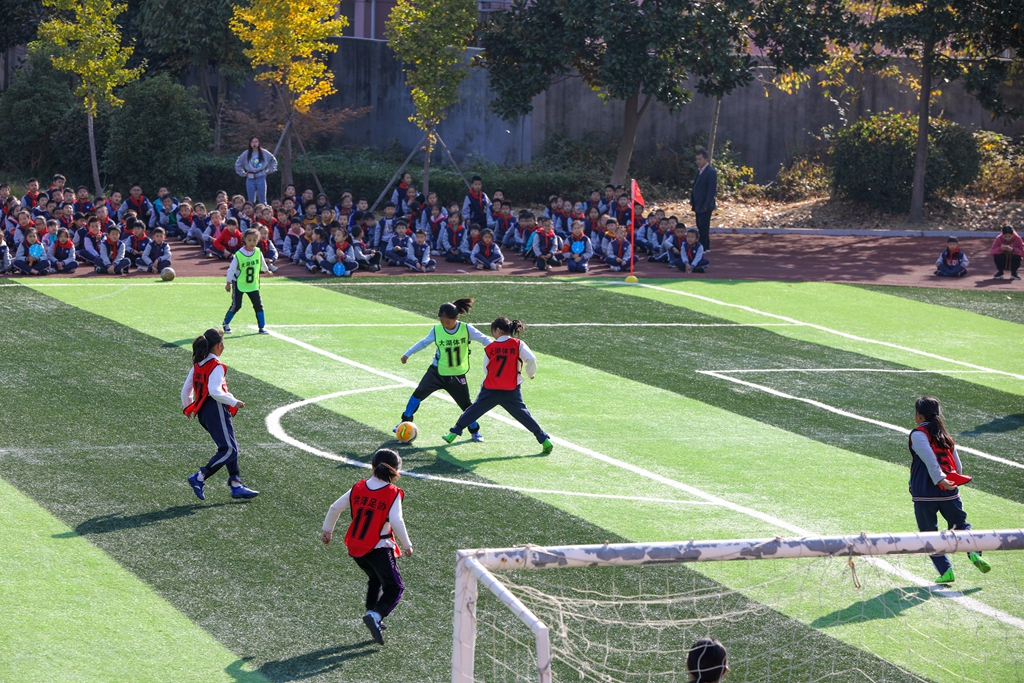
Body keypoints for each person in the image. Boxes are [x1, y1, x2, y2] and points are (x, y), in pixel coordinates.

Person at [320, 448, 413, 646]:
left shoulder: (359, 487)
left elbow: (335, 507)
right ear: (396, 471)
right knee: (395, 587)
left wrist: (327, 530)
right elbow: (396, 520)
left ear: (373, 466)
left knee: (375, 578)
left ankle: (372, 612)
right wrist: (407, 544)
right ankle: (376, 615)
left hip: (355, 546)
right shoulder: (392, 493)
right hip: (378, 546)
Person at [909, 396, 991, 583]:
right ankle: (974, 553)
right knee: (961, 525)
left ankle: (946, 570)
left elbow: (930, 461)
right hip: (950, 492)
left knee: (929, 533)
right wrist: (952, 484)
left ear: (919, 416)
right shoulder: (945, 435)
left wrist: (940, 480)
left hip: (926, 493)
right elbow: (957, 465)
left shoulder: (918, 434)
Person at [443, 317, 553, 453]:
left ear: (498, 330)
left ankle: (454, 432)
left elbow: (486, 369)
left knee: (474, 410)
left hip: (491, 389)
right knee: (524, 415)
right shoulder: (518, 344)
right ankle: (544, 439)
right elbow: (531, 359)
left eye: (493, 331)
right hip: (511, 390)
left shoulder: (490, 348)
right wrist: (530, 374)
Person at [183, 328, 259, 501]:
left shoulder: (198, 364)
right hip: (215, 409)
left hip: (204, 413)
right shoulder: (215, 365)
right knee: (229, 449)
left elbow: (186, 389)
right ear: (218, 346)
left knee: (230, 446)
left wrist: (188, 407)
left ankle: (236, 484)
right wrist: (234, 402)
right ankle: (200, 477)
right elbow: (215, 391)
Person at [398, 299, 491, 440]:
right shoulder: (437, 330)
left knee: (466, 405)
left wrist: (496, 351)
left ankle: (474, 431)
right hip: (436, 372)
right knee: (418, 394)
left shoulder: (466, 329)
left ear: (456, 317)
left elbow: (484, 340)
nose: (445, 325)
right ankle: (405, 422)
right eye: (442, 322)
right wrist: (408, 353)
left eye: (448, 322)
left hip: (456, 375)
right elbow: (423, 343)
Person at [223, 228, 272, 334]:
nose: (252, 242)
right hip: (239, 283)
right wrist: (228, 283)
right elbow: (231, 270)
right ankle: (226, 323)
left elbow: (262, 264)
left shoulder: (258, 252)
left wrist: (267, 271)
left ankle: (262, 327)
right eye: (249, 240)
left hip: (252, 284)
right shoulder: (239, 255)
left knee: (258, 305)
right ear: (244, 239)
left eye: (254, 240)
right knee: (237, 305)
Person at [234, 136, 278, 204]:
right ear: (250, 143)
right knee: (250, 200)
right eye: (252, 142)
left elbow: (273, 161)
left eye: (256, 142)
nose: (254, 144)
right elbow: (238, 163)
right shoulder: (246, 153)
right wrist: (243, 173)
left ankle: (264, 213)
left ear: (259, 143)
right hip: (250, 178)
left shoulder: (264, 152)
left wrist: (269, 170)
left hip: (261, 177)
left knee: (262, 200)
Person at [690, 150, 717, 252]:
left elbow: (711, 190)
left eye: (700, 159)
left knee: (704, 225)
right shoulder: (699, 171)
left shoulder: (711, 172)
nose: (698, 161)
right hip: (698, 203)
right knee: (699, 224)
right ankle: (705, 245)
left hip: (705, 204)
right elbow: (695, 187)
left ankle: (704, 246)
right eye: (697, 159)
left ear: (706, 159)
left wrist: (707, 204)